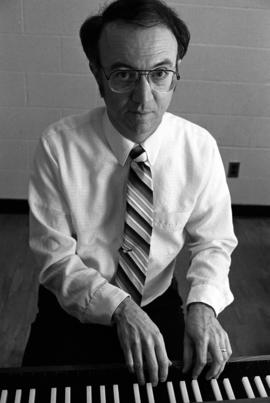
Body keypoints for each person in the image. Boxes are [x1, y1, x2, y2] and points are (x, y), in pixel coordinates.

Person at [23, 0, 238, 388]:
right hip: (71, 306)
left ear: (176, 76)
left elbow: (214, 242)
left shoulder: (199, 147)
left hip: (156, 298)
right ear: (97, 75)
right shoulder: (57, 146)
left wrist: (204, 304)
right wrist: (119, 308)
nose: (144, 98)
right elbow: (54, 259)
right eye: (123, 74)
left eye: (159, 73)